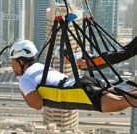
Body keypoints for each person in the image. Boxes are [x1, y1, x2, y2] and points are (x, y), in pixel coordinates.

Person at [9, 40, 137, 112]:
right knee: (126, 97)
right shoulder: (40, 67)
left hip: (81, 93)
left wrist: (23, 91)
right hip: (84, 85)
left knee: (124, 101)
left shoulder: (25, 80)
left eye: (12, 61)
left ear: (20, 60)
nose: (11, 65)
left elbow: (36, 104)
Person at [69, 36, 137, 70]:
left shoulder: (79, 62)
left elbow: (82, 62)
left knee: (128, 52)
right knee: (129, 51)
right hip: (107, 59)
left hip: (106, 59)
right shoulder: (80, 63)